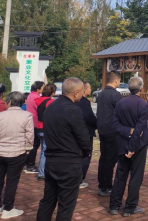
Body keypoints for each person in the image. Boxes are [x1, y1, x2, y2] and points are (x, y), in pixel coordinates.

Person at [36, 78, 92, 221]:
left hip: (51, 160)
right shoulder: (73, 110)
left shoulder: (51, 107)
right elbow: (84, 138)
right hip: (69, 162)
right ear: (76, 93)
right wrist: (86, 153)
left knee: (48, 201)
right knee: (66, 205)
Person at [109, 77, 148, 217]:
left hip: (123, 143)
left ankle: (114, 205)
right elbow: (139, 129)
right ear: (141, 88)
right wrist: (132, 148)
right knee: (136, 177)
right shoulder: (143, 104)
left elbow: (115, 124)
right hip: (137, 146)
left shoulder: (120, 103)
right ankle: (129, 207)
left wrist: (127, 132)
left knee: (120, 174)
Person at [0, 92, 33, 219]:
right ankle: (8, 208)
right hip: (17, 152)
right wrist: (28, 148)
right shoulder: (27, 116)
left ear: (9, 102)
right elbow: (29, 135)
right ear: (22, 102)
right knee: (12, 181)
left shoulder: (1, 115)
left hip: (1, 152)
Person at [96, 71, 122, 196]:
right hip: (112, 130)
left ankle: (101, 184)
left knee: (103, 157)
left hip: (102, 129)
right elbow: (121, 111)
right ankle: (106, 186)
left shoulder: (101, 94)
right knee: (110, 160)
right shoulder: (115, 95)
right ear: (116, 80)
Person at [75, 82, 97, 189]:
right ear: (84, 90)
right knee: (85, 156)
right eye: (89, 88)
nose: (90, 90)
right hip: (86, 133)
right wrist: (97, 124)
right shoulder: (84, 102)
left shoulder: (75, 101)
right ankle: (79, 179)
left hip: (76, 132)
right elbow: (90, 117)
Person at [35, 84, 56, 181]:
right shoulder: (50, 102)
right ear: (52, 92)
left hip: (39, 127)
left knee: (43, 150)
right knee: (46, 151)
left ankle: (42, 171)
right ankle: (43, 173)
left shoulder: (38, 100)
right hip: (47, 128)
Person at [25, 81, 44, 174]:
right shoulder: (36, 97)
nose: (43, 89)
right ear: (38, 88)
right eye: (42, 87)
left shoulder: (30, 96)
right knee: (35, 145)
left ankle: (28, 163)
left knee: (31, 144)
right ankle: (31, 165)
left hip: (31, 122)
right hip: (36, 123)